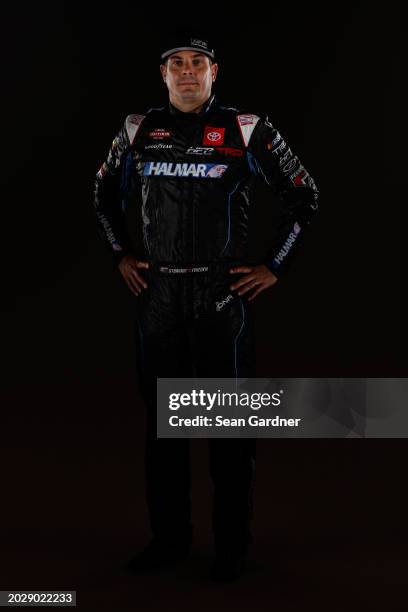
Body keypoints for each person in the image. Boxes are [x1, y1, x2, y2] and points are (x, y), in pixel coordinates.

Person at [92, 33, 319, 582]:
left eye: (198, 63)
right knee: (164, 432)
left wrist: (276, 265)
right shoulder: (136, 130)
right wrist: (120, 252)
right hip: (160, 300)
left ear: (215, 74)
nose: (188, 72)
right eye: (177, 64)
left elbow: (304, 196)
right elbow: (102, 194)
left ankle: (231, 553)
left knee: (228, 434)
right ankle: (169, 543)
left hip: (221, 301)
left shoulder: (246, 128)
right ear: (164, 75)